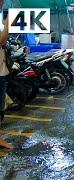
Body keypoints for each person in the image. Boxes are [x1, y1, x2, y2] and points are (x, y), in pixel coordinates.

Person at [0, 0, 13, 149]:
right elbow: (1, 40)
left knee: (1, 107)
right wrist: (9, 22)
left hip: (1, 69)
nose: (2, 3)